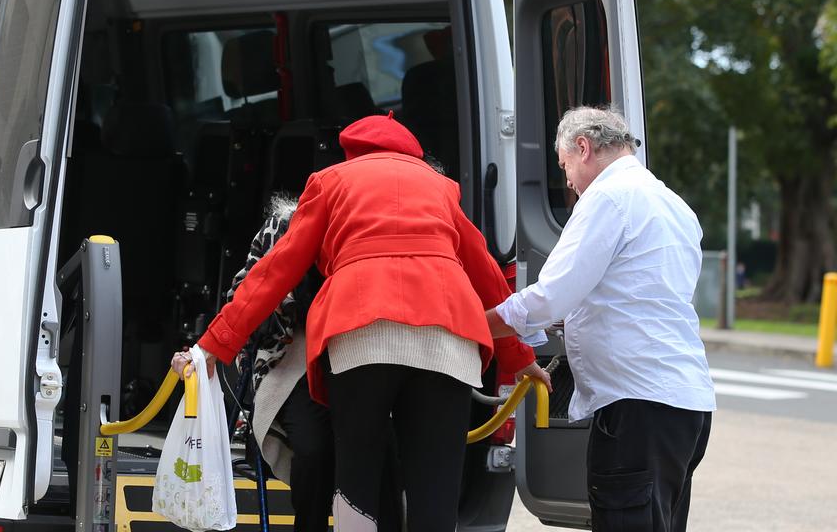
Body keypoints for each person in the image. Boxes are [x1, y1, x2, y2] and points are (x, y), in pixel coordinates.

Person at [174, 113, 546, 532]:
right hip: (449, 342)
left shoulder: (330, 181)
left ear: (350, 152)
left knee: (358, 491)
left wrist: (212, 346)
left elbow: (273, 273)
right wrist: (520, 357)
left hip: (361, 336)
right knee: (435, 497)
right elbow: (489, 279)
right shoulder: (441, 187)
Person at [486, 106, 715, 532]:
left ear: (584, 148)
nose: (568, 181)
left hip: (638, 405)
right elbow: (640, 296)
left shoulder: (607, 198)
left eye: (564, 165)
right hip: (685, 404)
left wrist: (476, 325)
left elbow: (549, 297)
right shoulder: (674, 204)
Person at [221, 193, 399, 532]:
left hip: (360, 355)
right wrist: (279, 296)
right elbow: (242, 298)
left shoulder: (374, 231)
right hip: (293, 360)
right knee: (314, 447)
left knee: (383, 446)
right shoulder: (284, 226)